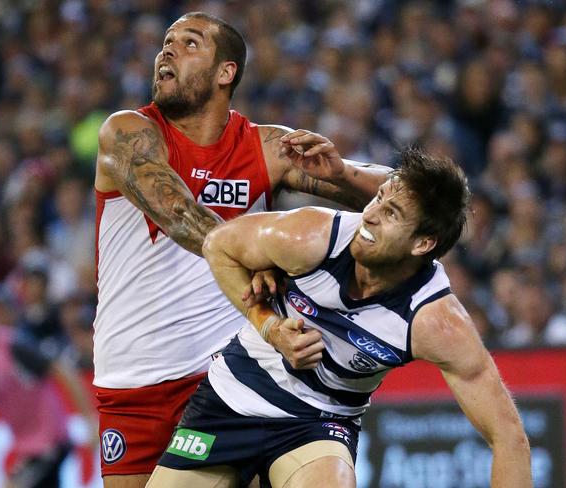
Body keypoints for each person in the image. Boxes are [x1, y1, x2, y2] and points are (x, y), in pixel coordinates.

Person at [93, 11, 390, 487]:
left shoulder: (265, 147)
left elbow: (400, 197)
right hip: (133, 380)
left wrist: (341, 174)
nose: (166, 51)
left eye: (189, 44)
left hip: (230, 372)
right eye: (166, 43)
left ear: (226, 72)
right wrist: (247, 256)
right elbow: (180, 215)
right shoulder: (128, 133)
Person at [147, 148, 532, 488]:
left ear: (423, 243)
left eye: (391, 213)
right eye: (379, 198)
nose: (371, 214)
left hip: (317, 424)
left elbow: (508, 436)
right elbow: (219, 245)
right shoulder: (310, 237)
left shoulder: (435, 321)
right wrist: (270, 327)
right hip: (233, 398)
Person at [0, 288, 97, 488]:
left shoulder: (12, 345)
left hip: (51, 441)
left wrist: (90, 421)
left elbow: (64, 372)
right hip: (27, 447)